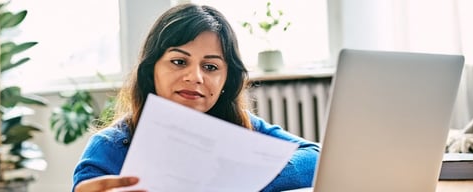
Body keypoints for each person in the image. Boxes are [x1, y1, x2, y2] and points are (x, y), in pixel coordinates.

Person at [72, 3, 319, 192]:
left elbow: (316, 155)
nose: (195, 77)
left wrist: (246, 177)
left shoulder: (245, 127)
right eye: (179, 62)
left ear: (226, 80)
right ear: (151, 70)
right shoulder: (109, 146)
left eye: (210, 67)